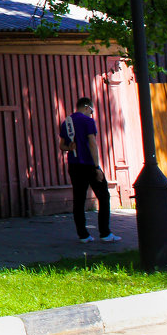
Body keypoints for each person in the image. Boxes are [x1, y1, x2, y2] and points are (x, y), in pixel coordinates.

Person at [58, 97, 121, 243]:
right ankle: (105, 233)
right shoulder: (88, 121)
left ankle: (83, 235)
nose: (91, 114)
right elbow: (92, 143)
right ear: (87, 107)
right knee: (104, 196)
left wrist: (70, 148)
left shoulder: (66, 122)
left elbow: (62, 146)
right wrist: (97, 167)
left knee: (79, 200)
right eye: (91, 111)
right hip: (88, 164)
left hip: (74, 166)